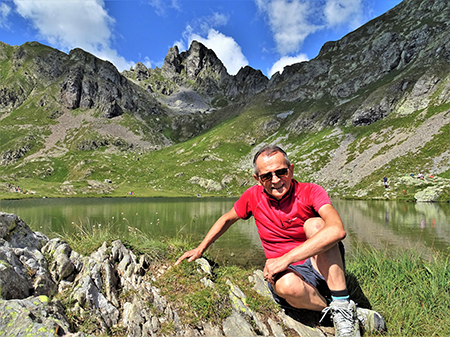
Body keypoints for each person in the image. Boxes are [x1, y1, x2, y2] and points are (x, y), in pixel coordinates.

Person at [175, 145, 386, 337]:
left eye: (281, 172)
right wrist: (201, 248)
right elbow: (227, 219)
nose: (275, 180)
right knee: (285, 286)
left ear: (291, 169)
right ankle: (343, 312)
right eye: (267, 176)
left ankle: (341, 304)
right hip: (292, 276)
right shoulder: (252, 196)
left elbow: (337, 230)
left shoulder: (311, 191)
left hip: (321, 263)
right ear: (258, 179)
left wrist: (286, 258)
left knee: (315, 225)